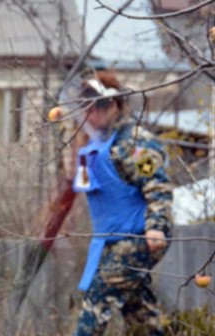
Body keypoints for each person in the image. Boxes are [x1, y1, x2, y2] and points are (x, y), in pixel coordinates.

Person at [64, 71, 174, 335]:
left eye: (98, 107)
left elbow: (157, 185)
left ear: (114, 105)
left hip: (137, 236)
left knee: (97, 300)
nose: (91, 115)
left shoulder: (134, 142)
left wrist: (156, 226)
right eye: (86, 108)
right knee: (140, 314)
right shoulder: (94, 143)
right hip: (111, 238)